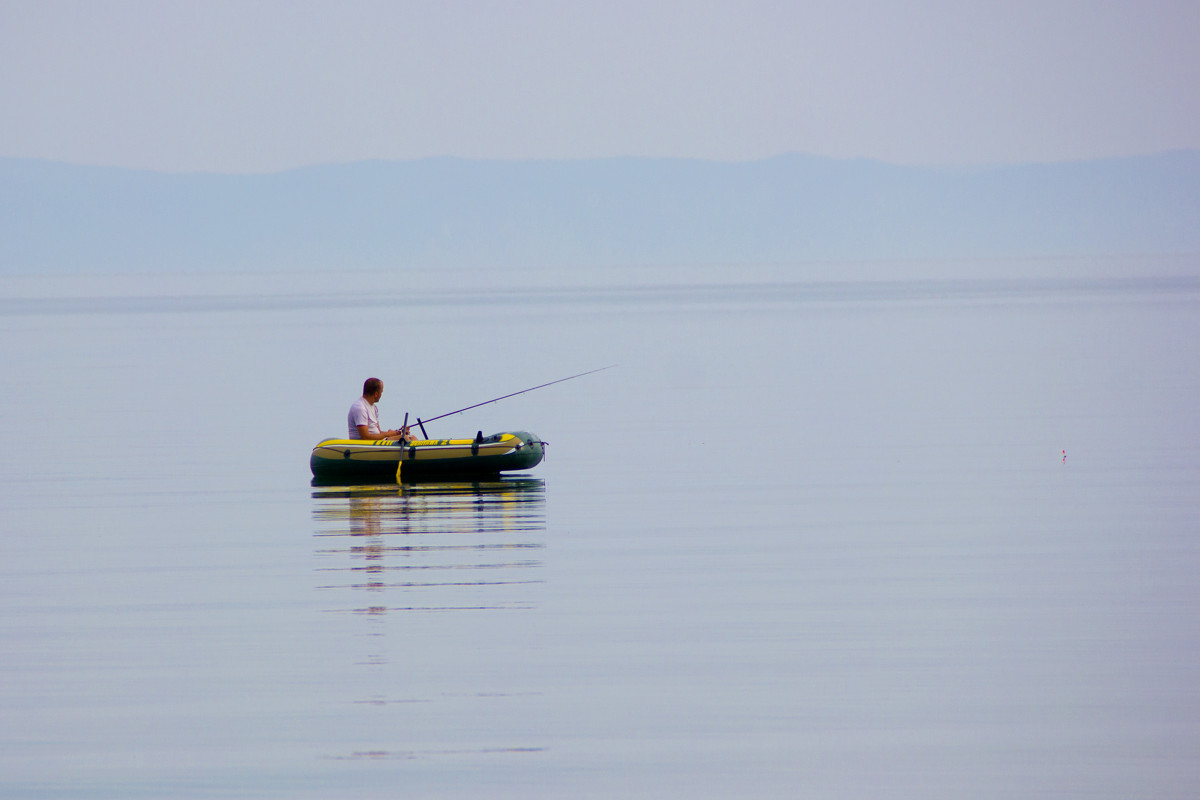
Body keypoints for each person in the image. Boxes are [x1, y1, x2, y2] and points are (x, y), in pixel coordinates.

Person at [348, 377, 412, 442]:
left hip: (376, 442)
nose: (381, 395)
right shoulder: (360, 408)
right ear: (376, 394)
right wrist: (387, 434)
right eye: (381, 392)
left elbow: (378, 433)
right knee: (406, 439)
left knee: (412, 438)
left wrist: (397, 432)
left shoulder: (374, 407)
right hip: (366, 445)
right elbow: (365, 437)